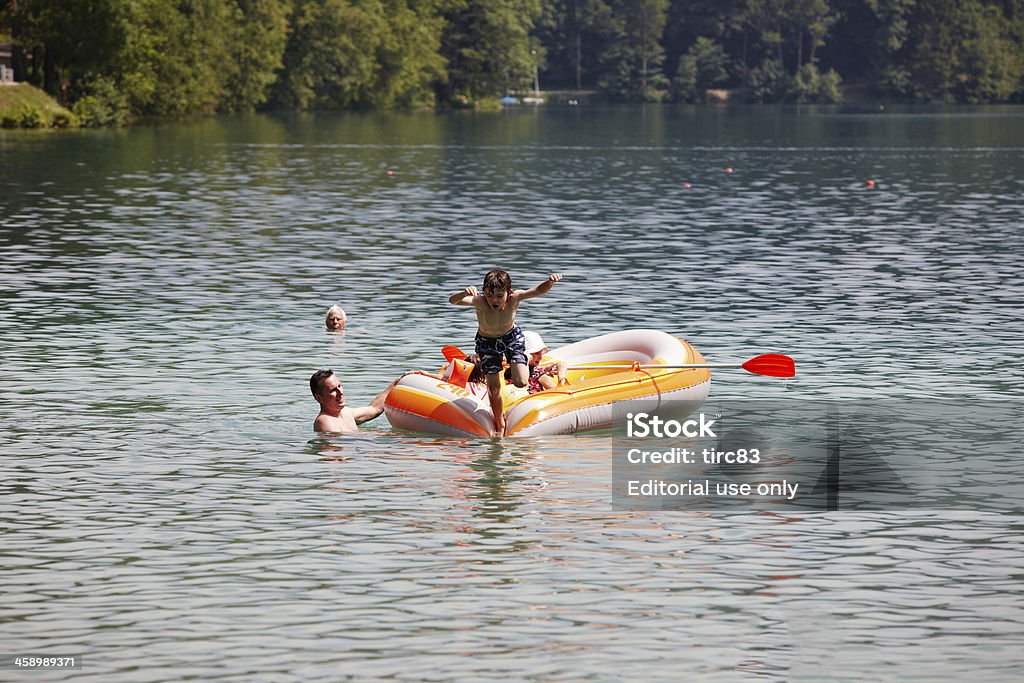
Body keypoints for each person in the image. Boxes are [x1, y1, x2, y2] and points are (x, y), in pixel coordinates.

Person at [449, 269, 563, 435]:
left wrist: (550, 282)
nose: (493, 300)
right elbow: (453, 301)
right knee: (493, 388)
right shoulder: (479, 301)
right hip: (487, 342)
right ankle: (500, 424)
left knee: (521, 382)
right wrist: (463, 292)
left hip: (511, 338)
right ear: (484, 293)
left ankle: (525, 356)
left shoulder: (515, 298)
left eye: (499, 295)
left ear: (508, 293)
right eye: (489, 295)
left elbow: (538, 291)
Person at [310, 369, 399, 433]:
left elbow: (374, 408)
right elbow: (340, 449)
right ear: (319, 398)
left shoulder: (346, 412)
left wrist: (395, 384)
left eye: (339, 386)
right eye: (333, 390)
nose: (340, 392)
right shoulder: (324, 422)